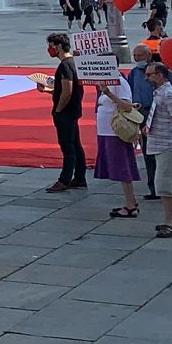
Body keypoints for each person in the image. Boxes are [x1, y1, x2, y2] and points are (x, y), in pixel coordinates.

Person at [142, 60, 172, 237]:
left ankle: (168, 222)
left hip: (167, 144)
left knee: (162, 184)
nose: (146, 78)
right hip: (160, 143)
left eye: (149, 75)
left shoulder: (169, 94)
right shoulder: (160, 92)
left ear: (160, 75)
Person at [95, 67, 143, 218]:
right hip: (106, 130)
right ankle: (130, 202)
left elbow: (127, 106)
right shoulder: (107, 82)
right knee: (117, 166)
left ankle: (130, 204)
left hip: (115, 131)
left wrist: (108, 93)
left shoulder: (120, 82)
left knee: (122, 166)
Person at [44, 33, 88, 193]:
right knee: (76, 144)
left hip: (66, 112)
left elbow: (67, 91)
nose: (49, 49)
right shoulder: (74, 63)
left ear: (59, 46)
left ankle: (65, 179)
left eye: (51, 45)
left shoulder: (65, 66)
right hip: (74, 110)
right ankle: (80, 177)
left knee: (67, 146)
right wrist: (50, 91)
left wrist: (58, 109)